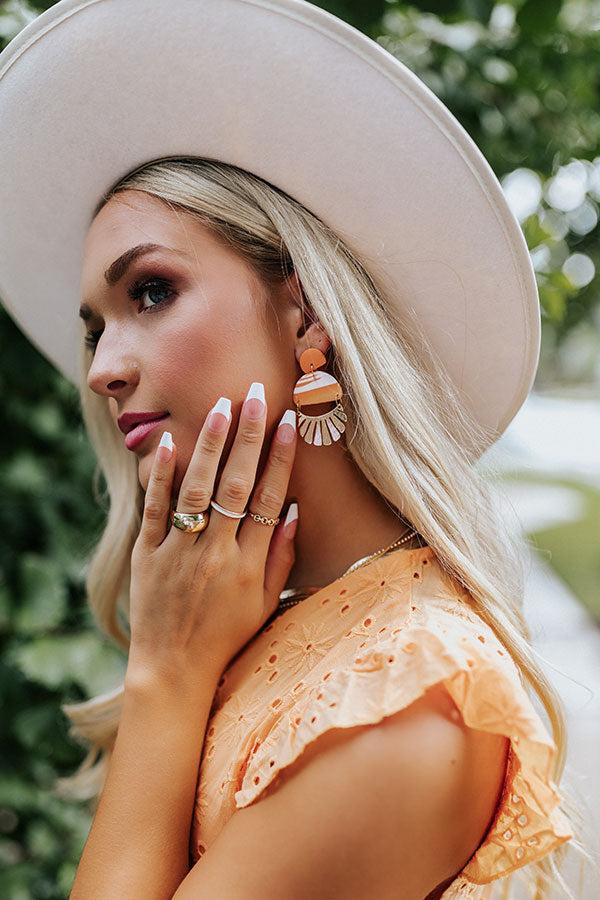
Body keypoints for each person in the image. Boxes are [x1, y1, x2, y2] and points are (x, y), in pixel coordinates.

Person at [0, 1, 578, 897]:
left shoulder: (410, 697)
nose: (102, 369)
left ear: (305, 313)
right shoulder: (247, 609)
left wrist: (164, 676)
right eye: (94, 329)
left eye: (150, 291)